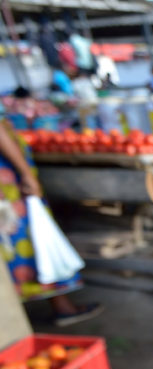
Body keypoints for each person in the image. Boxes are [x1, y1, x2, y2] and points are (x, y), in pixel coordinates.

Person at [0, 120, 101, 325]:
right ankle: (58, 308)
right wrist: (26, 174)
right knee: (30, 239)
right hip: (7, 183)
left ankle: (24, 316)